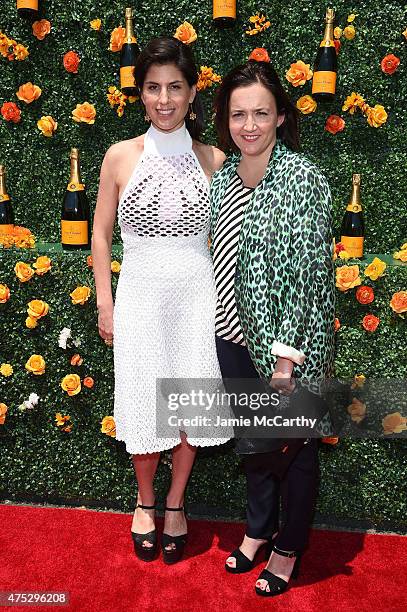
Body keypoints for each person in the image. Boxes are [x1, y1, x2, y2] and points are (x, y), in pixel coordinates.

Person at [91, 36, 230, 565]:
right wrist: (106, 303)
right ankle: (145, 502)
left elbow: (230, 239)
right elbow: (101, 235)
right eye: (154, 88)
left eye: (175, 87)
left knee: (188, 405)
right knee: (144, 402)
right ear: (141, 94)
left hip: (199, 298)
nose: (165, 99)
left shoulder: (215, 159)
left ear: (192, 93)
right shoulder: (120, 156)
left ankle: (176, 504)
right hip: (141, 298)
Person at [210, 60, 335, 596]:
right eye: (239, 114)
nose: (250, 124)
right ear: (226, 120)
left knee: (296, 448)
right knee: (257, 446)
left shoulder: (303, 180)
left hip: (289, 349)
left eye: (261, 112)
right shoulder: (222, 182)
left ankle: (289, 548)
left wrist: (287, 359)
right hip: (232, 339)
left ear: (281, 116)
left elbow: (309, 275)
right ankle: (259, 530)